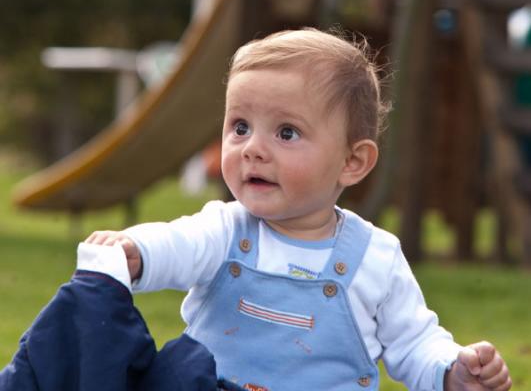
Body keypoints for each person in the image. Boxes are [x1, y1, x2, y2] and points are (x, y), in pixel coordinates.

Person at [86, 28, 512, 391]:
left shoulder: (375, 257)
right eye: (240, 127)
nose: (252, 148)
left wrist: (452, 369)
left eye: (286, 132)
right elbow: (177, 244)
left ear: (352, 162)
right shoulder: (225, 230)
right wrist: (136, 249)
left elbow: (415, 341)